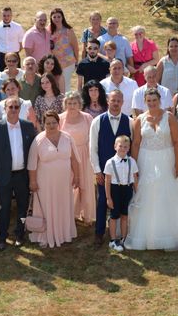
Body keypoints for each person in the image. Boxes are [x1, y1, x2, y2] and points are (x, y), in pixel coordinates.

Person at [124, 88, 178, 250]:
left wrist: (177, 164)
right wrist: (134, 167)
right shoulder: (139, 120)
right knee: (148, 194)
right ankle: (150, 234)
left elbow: (177, 142)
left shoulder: (169, 117)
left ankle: (176, 232)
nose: (152, 103)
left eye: (154, 100)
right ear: (145, 102)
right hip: (146, 160)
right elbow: (136, 144)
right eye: (149, 101)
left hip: (167, 159)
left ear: (159, 100)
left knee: (170, 193)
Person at [0, 96, 37, 250]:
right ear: (5, 109)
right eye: (11, 107)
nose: (14, 110)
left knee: (22, 207)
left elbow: (34, 153)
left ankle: (19, 234)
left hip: (22, 175)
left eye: (16, 107)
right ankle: (2, 237)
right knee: (4, 208)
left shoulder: (28, 126)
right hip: (4, 177)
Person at [28, 110, 80, 249]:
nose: (51, 125)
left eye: (54, 122)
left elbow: (74, 160)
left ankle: (64, 233)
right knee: (47, 206)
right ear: (43, 124)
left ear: (58, 122)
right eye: (48, 123)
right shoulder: (38, 140)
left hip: (64, 181)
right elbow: (32, 164)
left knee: (63, 204)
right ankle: (47, 234)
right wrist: (33, 182)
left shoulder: (67, 137)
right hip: (45, 183)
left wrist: (77, 176)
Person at [88, 89, 132, 246]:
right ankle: (99, 233)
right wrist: (97, 170)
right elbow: (92, 147)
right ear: (107, 101)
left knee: (122, 201)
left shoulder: (129, 121)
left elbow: (133, 148)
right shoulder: (98, 121)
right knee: (102, 201)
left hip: (124, 173)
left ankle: (122, 233)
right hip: (104, 172)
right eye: (113, 100)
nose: (115, 103)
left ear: (123, 102)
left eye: (118, 101)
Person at [59, 92, 95, 224]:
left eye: (74, 103)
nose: (72, 106)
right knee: (69, 185)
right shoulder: (60, 118)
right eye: (69, 103)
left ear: (79, 104)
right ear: (65, 104)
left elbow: (93, 138)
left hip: (84, 154)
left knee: (85, 184)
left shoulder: (87, 118)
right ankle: (70, 213)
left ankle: (87, 214)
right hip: (67, 156)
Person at [104, 135, 138, 252]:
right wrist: (108, 198)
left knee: (125, 215)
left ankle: (124, 238)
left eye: (125, 147)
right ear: (115, 147)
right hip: (115, 190)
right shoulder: (110, 162)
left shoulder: (132, 161)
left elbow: (134, 178)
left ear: (128, 148)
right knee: (114, 216)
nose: (123, 148)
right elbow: (107, 181)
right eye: (120, 146)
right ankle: (113, 240)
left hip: (127, 190)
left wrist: (137, 193)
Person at [49, 8, 80, 92]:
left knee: (65, 85)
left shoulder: (68, 30)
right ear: (51, 18)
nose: (56, 19)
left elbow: (75, 47)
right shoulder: (49, 31)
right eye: (54, 17)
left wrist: (77, 61)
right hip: (53, 64)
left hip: (67, 63)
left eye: (59, 17)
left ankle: (67, 103)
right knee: (55, 85)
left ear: (62, 17)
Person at [0, 6, 24, 72]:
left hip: (15, 55)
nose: (6, 17)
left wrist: (14, 52)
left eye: (8, 15)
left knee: (17, 77)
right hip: (1, 56)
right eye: (4, 15)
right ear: (1, 16)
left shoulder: (18, 27)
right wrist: (2, 50)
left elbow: (21, 43)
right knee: (2, 77)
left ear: (11, 15)